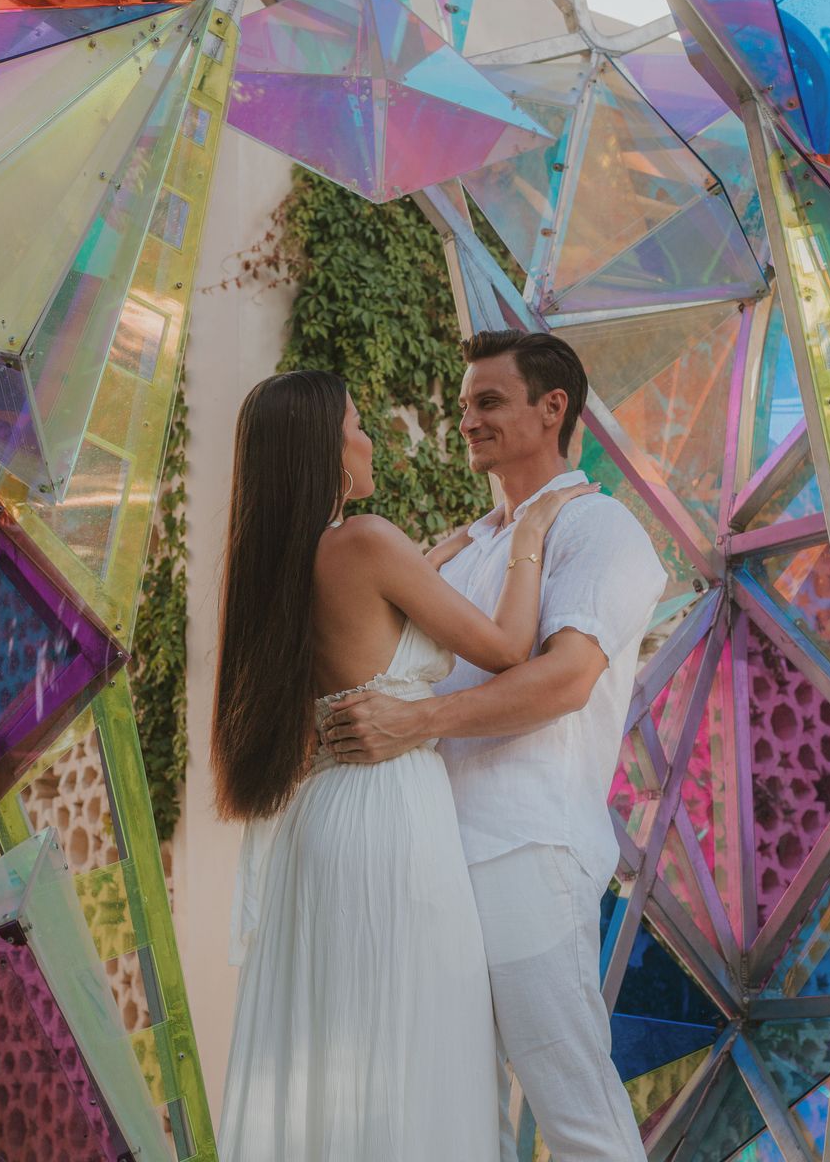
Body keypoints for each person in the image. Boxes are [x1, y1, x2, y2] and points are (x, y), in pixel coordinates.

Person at [212, 368, 593, 1162]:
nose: (367, 437)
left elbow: (371, 619)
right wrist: (526, 537)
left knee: (346, 1058)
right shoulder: (365, 542)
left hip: (323, 827)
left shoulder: (276, 564)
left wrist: (447, 546)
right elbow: (507, 648)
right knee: (417, 1047)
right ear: (322, 447)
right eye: (355, 425)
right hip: (391, 818)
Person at [323, 330, 665, 1162]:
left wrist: (419, 723)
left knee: (572, 1101)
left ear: (554, 409)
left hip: (524, 847)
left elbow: (566, 679)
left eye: (488, 401)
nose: (466, 418)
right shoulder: (473, 544)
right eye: (466, 401)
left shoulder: (600, 528)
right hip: (430, 855)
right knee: (452, 1117)